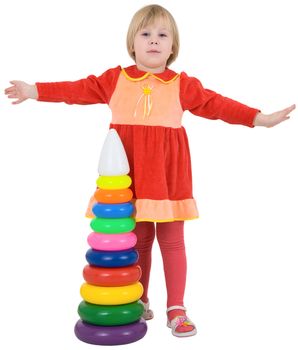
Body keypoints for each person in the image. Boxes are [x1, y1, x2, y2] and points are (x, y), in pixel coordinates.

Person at [4, 4, 295, 338]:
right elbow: (76, 90)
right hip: (128, 177)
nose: (154, 41)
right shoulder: (114, 80)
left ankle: (176, 308)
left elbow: (218, 105)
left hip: (168, 175)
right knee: (136, 239)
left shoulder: (182, 85)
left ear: (173, 47)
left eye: (162, 35)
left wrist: (259, 118)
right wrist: (34, 90)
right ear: (132, 43)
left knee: (172, 240)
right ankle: (137, 298)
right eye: (146, 34)